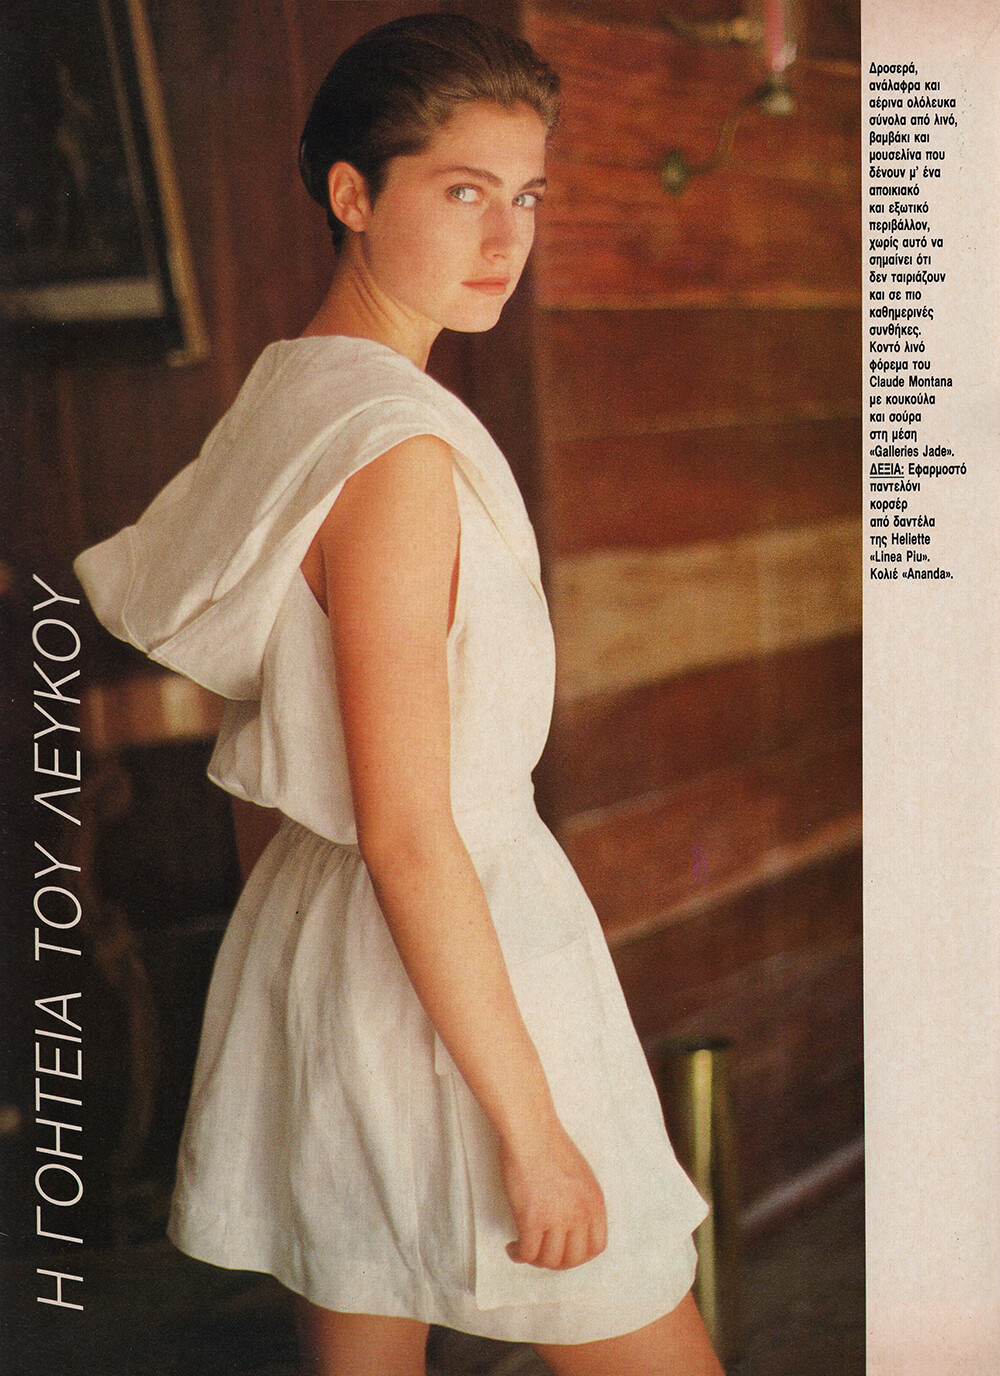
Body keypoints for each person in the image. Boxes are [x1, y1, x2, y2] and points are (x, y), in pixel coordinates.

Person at [74, 14, 723, 1376]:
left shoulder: (292, 392)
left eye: (526, 196)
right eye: (463, 191)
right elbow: (412, 830)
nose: (506, 239)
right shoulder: (394, 453)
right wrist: (534, 1133)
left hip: (328, 937)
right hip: (448, 943)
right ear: (352, 194)